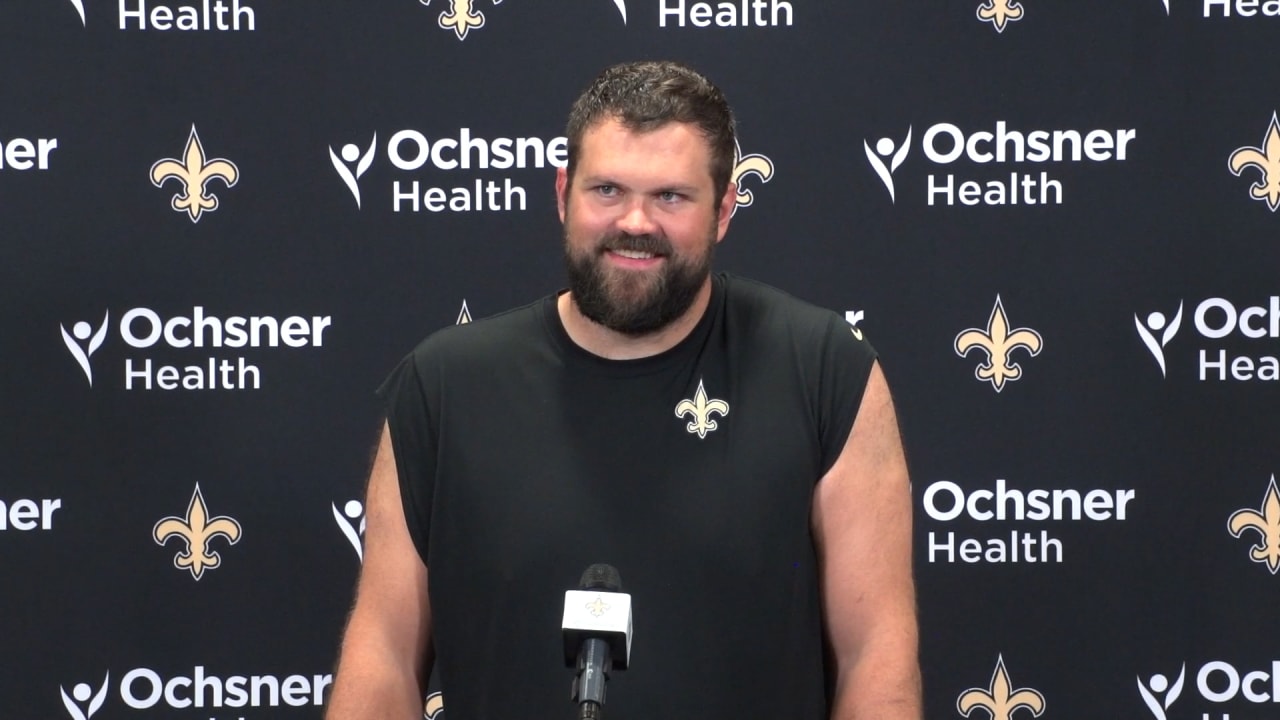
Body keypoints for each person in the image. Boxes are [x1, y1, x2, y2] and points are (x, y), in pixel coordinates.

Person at [325, 60, 921, 720]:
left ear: (723, 210)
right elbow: (382, 653)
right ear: (562, 194)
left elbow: (878, 659)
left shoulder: (825, 371)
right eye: (607, 190)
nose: (634, 222)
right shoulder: (442, 387)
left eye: (671, 196)